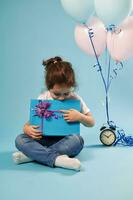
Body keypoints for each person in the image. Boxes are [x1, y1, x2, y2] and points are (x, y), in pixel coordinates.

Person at [13, 56, 95, 171]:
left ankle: (32, 156)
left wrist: (80, 117)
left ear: (72, 87)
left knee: (77, 140)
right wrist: (26, 128)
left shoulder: (76, 98)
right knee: (20, 139)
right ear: (49, 88)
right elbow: (32, 121)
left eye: (66, 93)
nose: (61, 98)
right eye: (56, 94)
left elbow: (92, 122)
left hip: (65, 141)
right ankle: (58, 160)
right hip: (43, 139)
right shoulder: (43, 97)